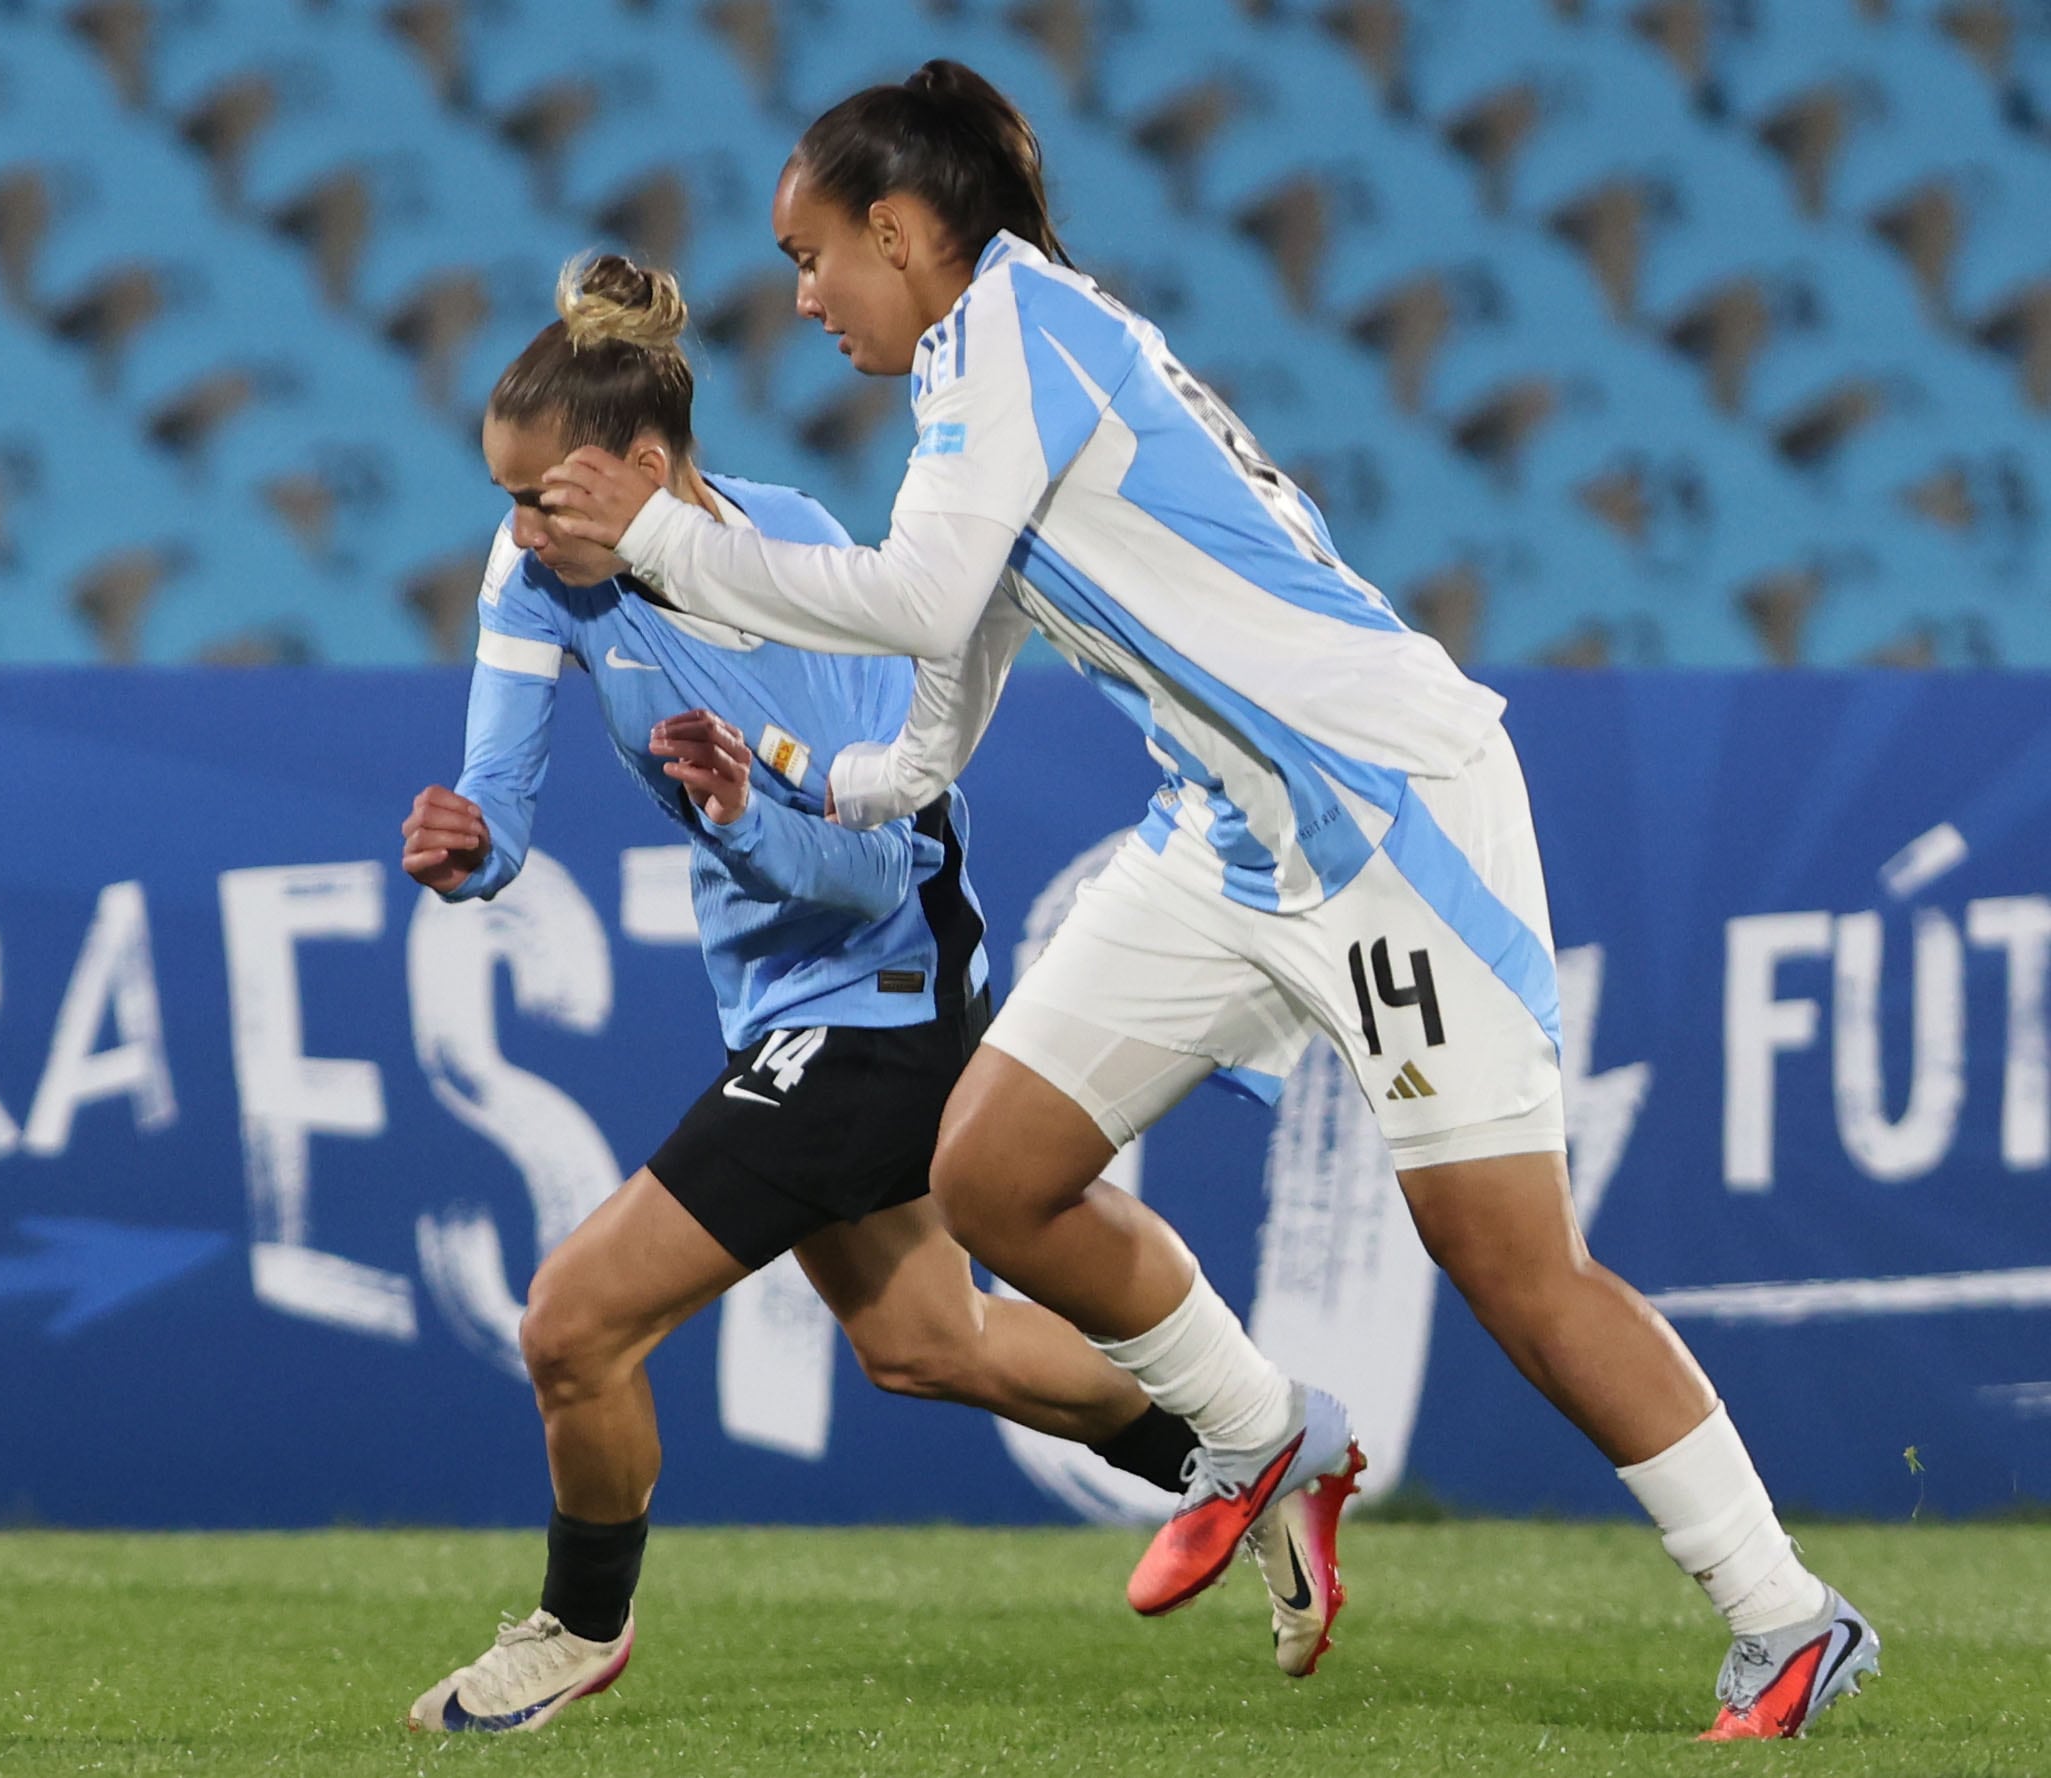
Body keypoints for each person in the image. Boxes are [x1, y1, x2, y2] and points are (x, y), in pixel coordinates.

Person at [537, 63, 1879, 1743]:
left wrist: (661, 540)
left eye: (814, 254)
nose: (802, 297)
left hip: (1388, 818)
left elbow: (914, 593)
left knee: (1517, 1268)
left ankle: (1784, 1612)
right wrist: (811, 769)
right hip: (1228, 838)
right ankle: (1267, 1435)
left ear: (899, 228)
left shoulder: (1019, 333)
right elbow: (947, 686)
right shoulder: (978, 373)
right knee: (992, 1171)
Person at [402, 254, 1343, 1737]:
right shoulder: (536, 574)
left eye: (544, 497)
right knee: (928, 1344)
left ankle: (577, 1626)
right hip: (791, 1006)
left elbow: (871, 866)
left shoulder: (799, 574)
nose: (518, 530)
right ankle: (1255, 1452)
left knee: (573, 1325)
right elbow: (499, 791)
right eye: (508, 497)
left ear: (643, 470)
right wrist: (468, 847)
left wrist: (731, 816)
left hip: (885, 995)